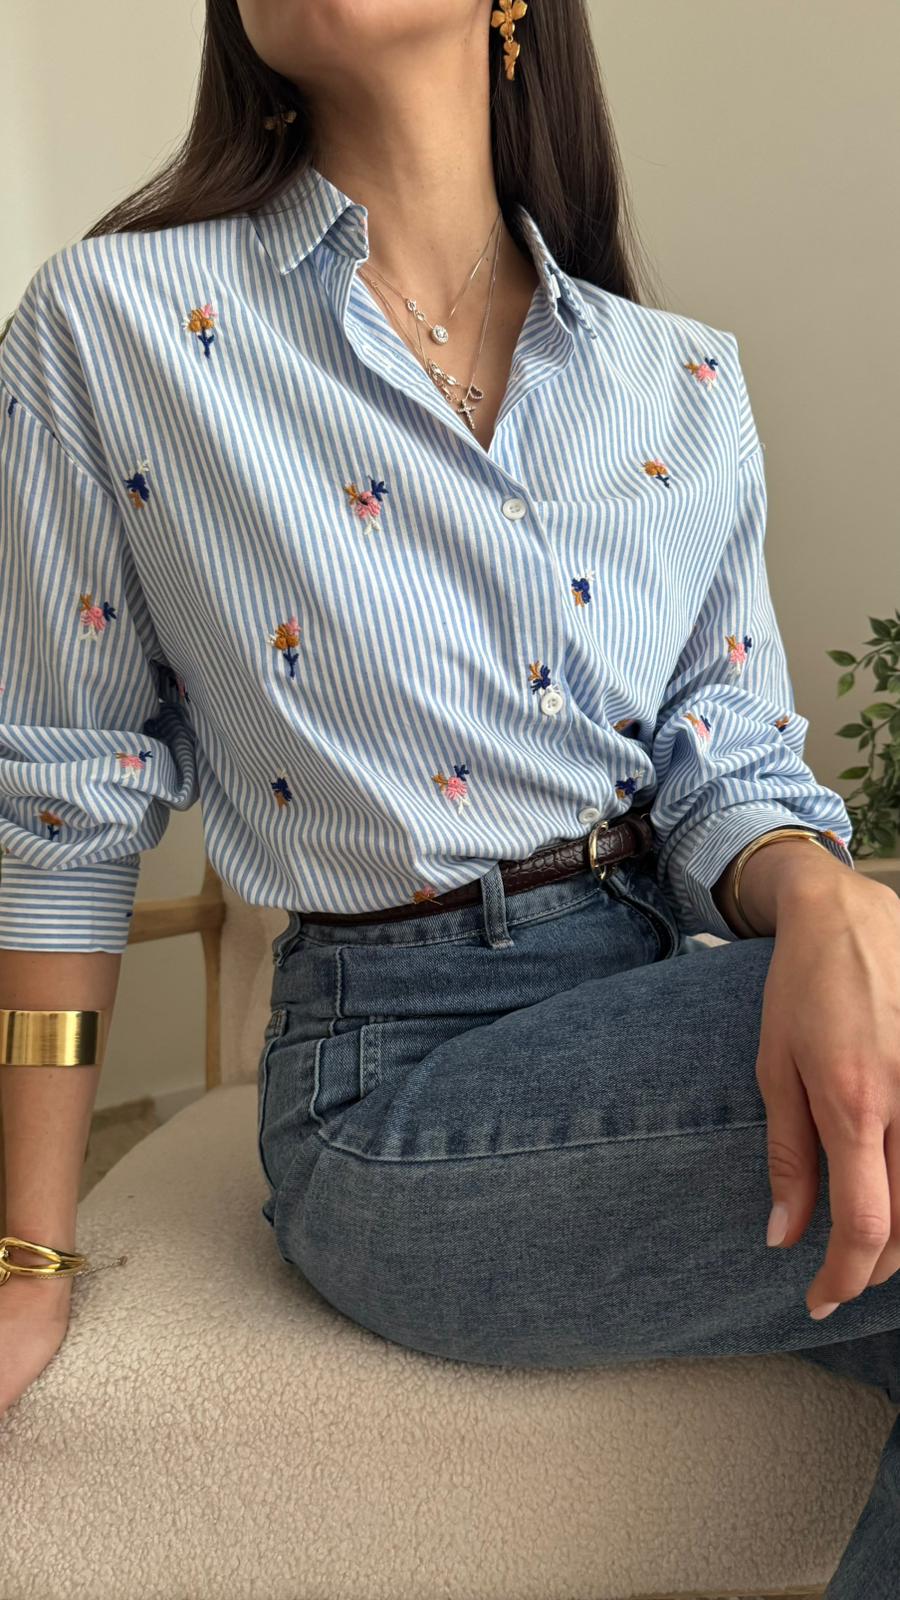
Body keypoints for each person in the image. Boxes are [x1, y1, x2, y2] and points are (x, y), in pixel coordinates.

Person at [1, 2, 898, 1591]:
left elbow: (730, 771)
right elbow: (60, 811)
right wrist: (27, 1250)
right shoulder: (116, 324)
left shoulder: (677, 380)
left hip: (655, 988)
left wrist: (822, 888)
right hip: (394, 1081)